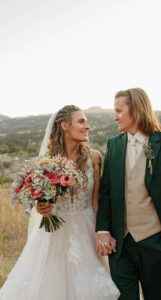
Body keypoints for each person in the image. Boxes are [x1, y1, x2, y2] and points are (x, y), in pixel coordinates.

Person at [0, 105, 119, 300]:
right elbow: (41, 199)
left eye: (87, 122)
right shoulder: (45, 162)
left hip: (86, 231)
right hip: (54, 233)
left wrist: (101, 232)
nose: (87, 126)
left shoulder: (94, 158)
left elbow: (96, 201)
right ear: (65, 126)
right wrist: (42, 206)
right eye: (81, 121)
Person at [96, 88, 161, 300]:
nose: (115, 116)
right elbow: (107, 192)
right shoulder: (114, 145)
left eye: (119, 111)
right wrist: (103, 229)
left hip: (156, 242)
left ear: (136, 110)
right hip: (120, 245)